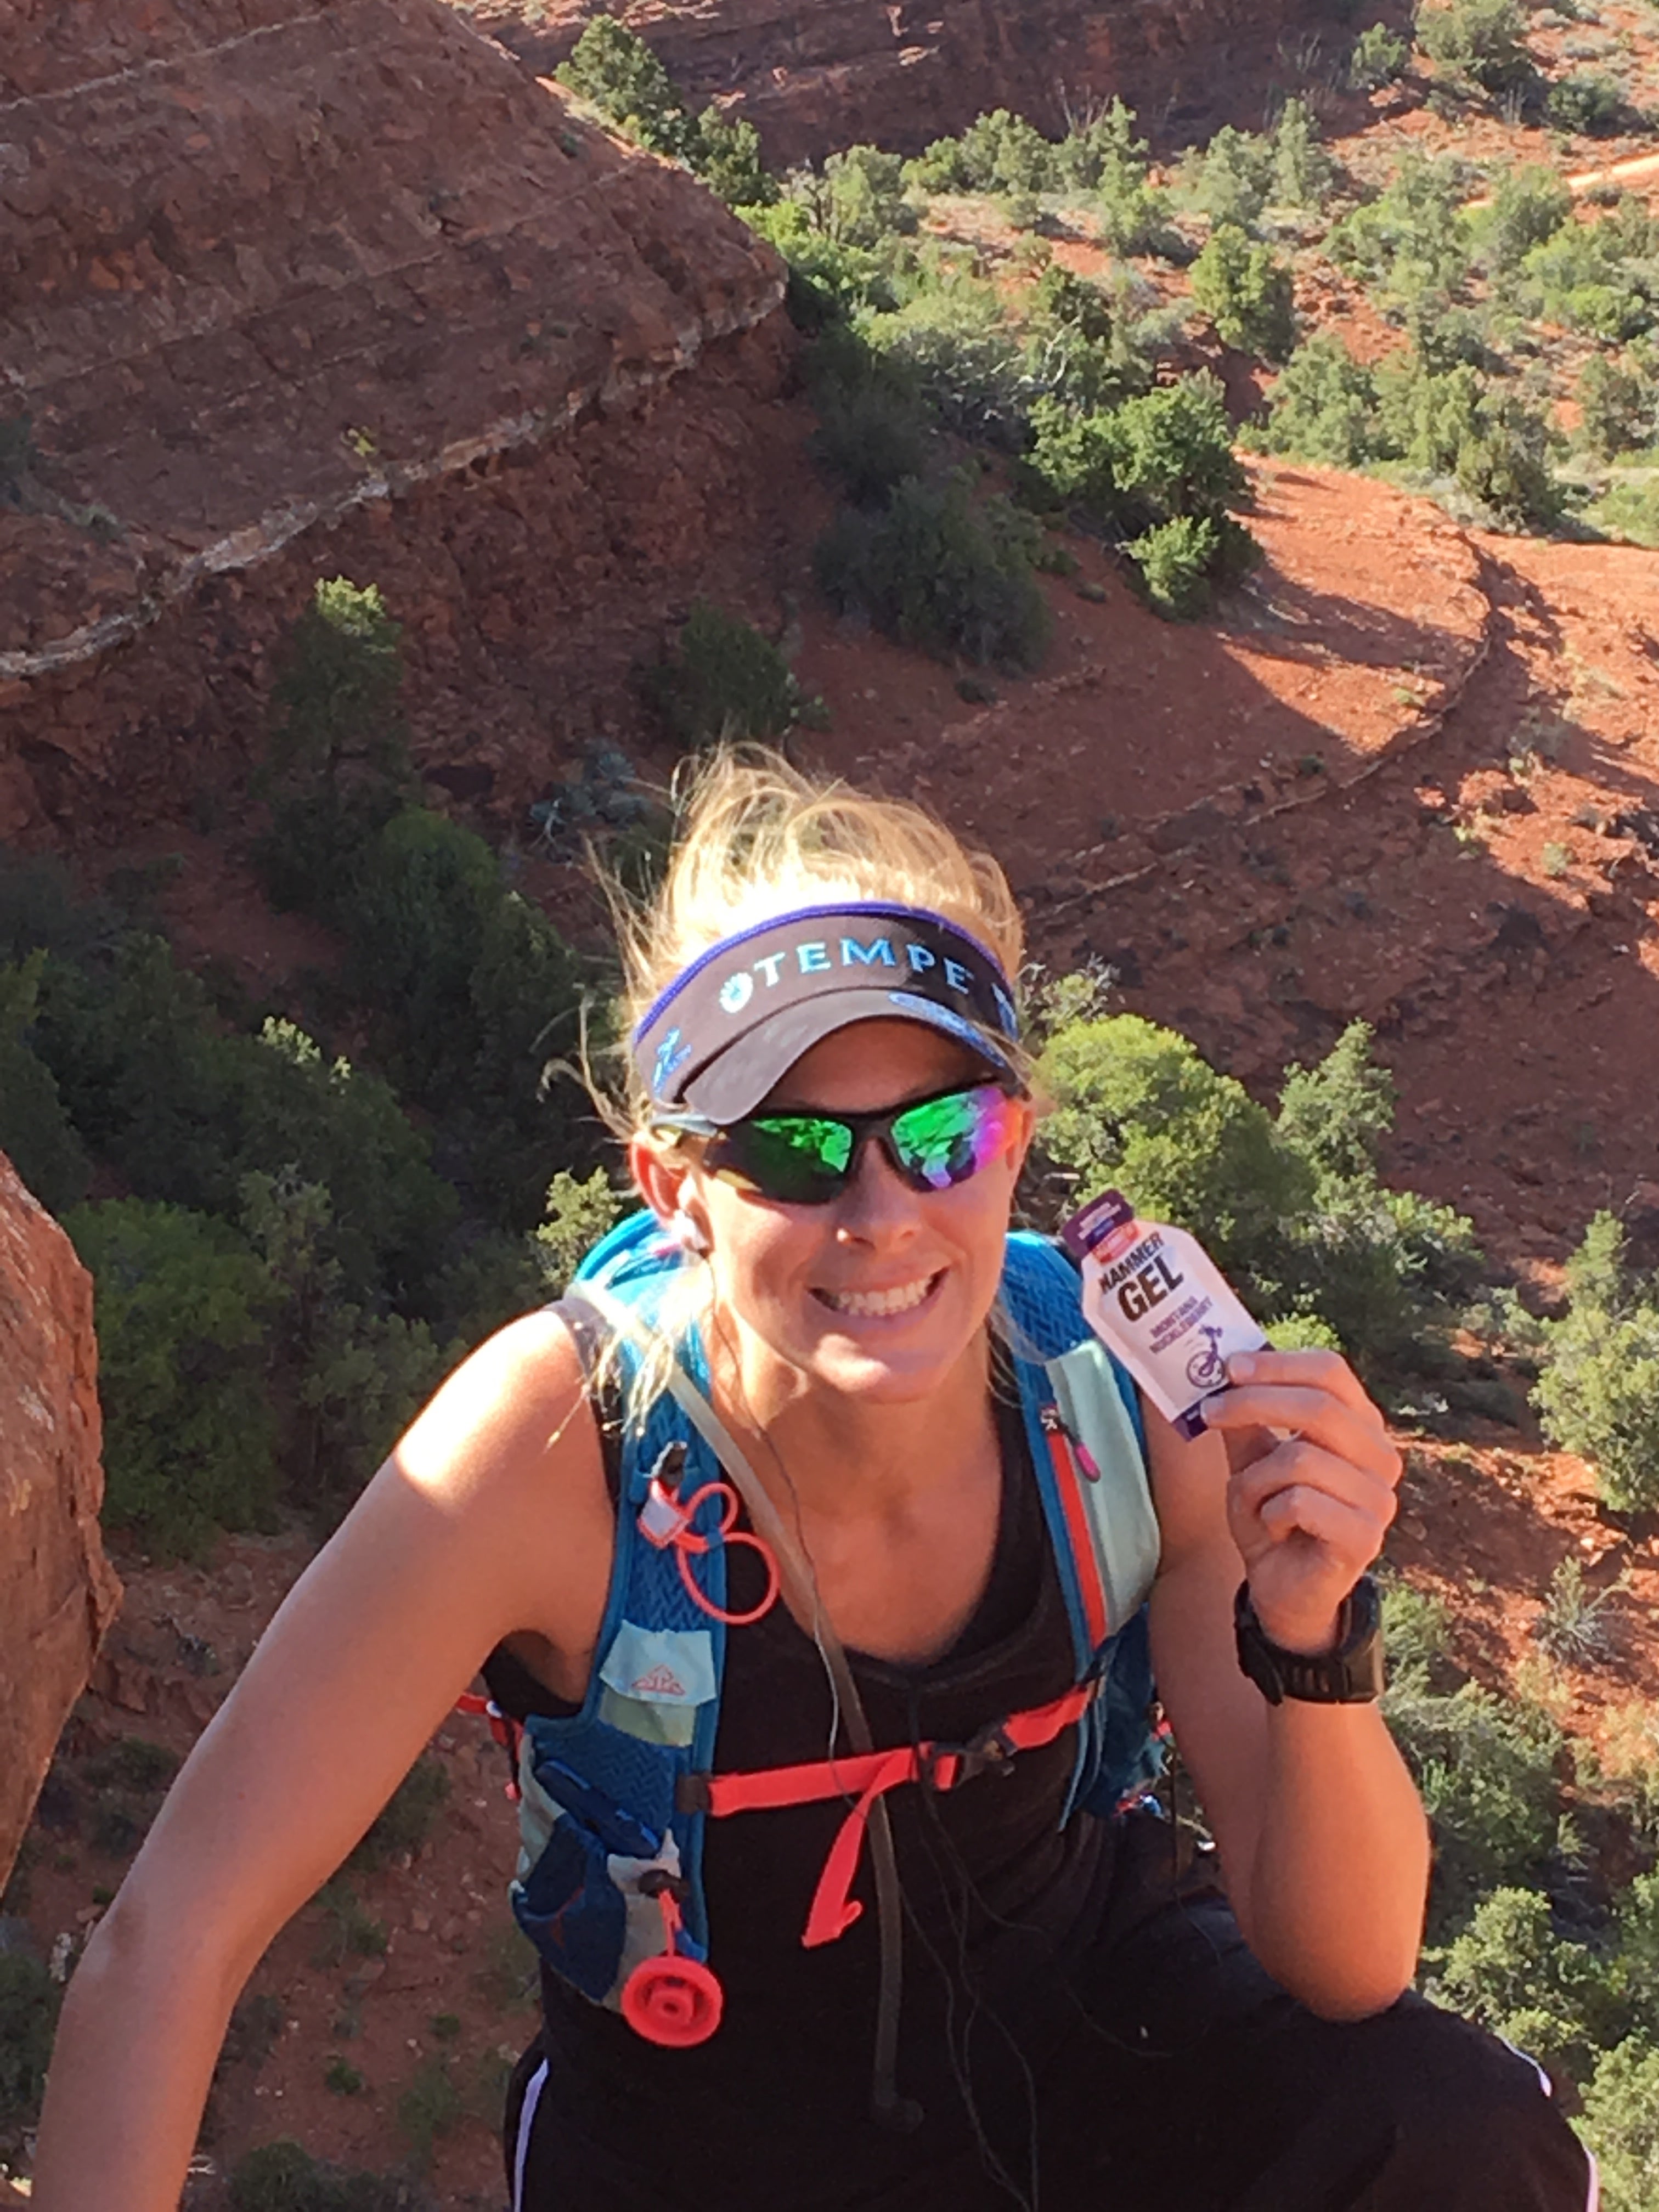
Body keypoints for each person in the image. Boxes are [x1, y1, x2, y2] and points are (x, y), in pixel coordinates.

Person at [33, 755, 1594, 2212]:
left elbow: (1347, 1965)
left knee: (1445, 2126)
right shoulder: (553, 1446)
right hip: (704, 2141)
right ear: (676, 1189)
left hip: (1087, 2056)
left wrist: (1314, 1636)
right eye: (788, 1150)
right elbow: (172, 1940)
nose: (881, 1212)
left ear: (1015, 1139)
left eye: (943, 1133)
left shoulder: (1120, 1398)